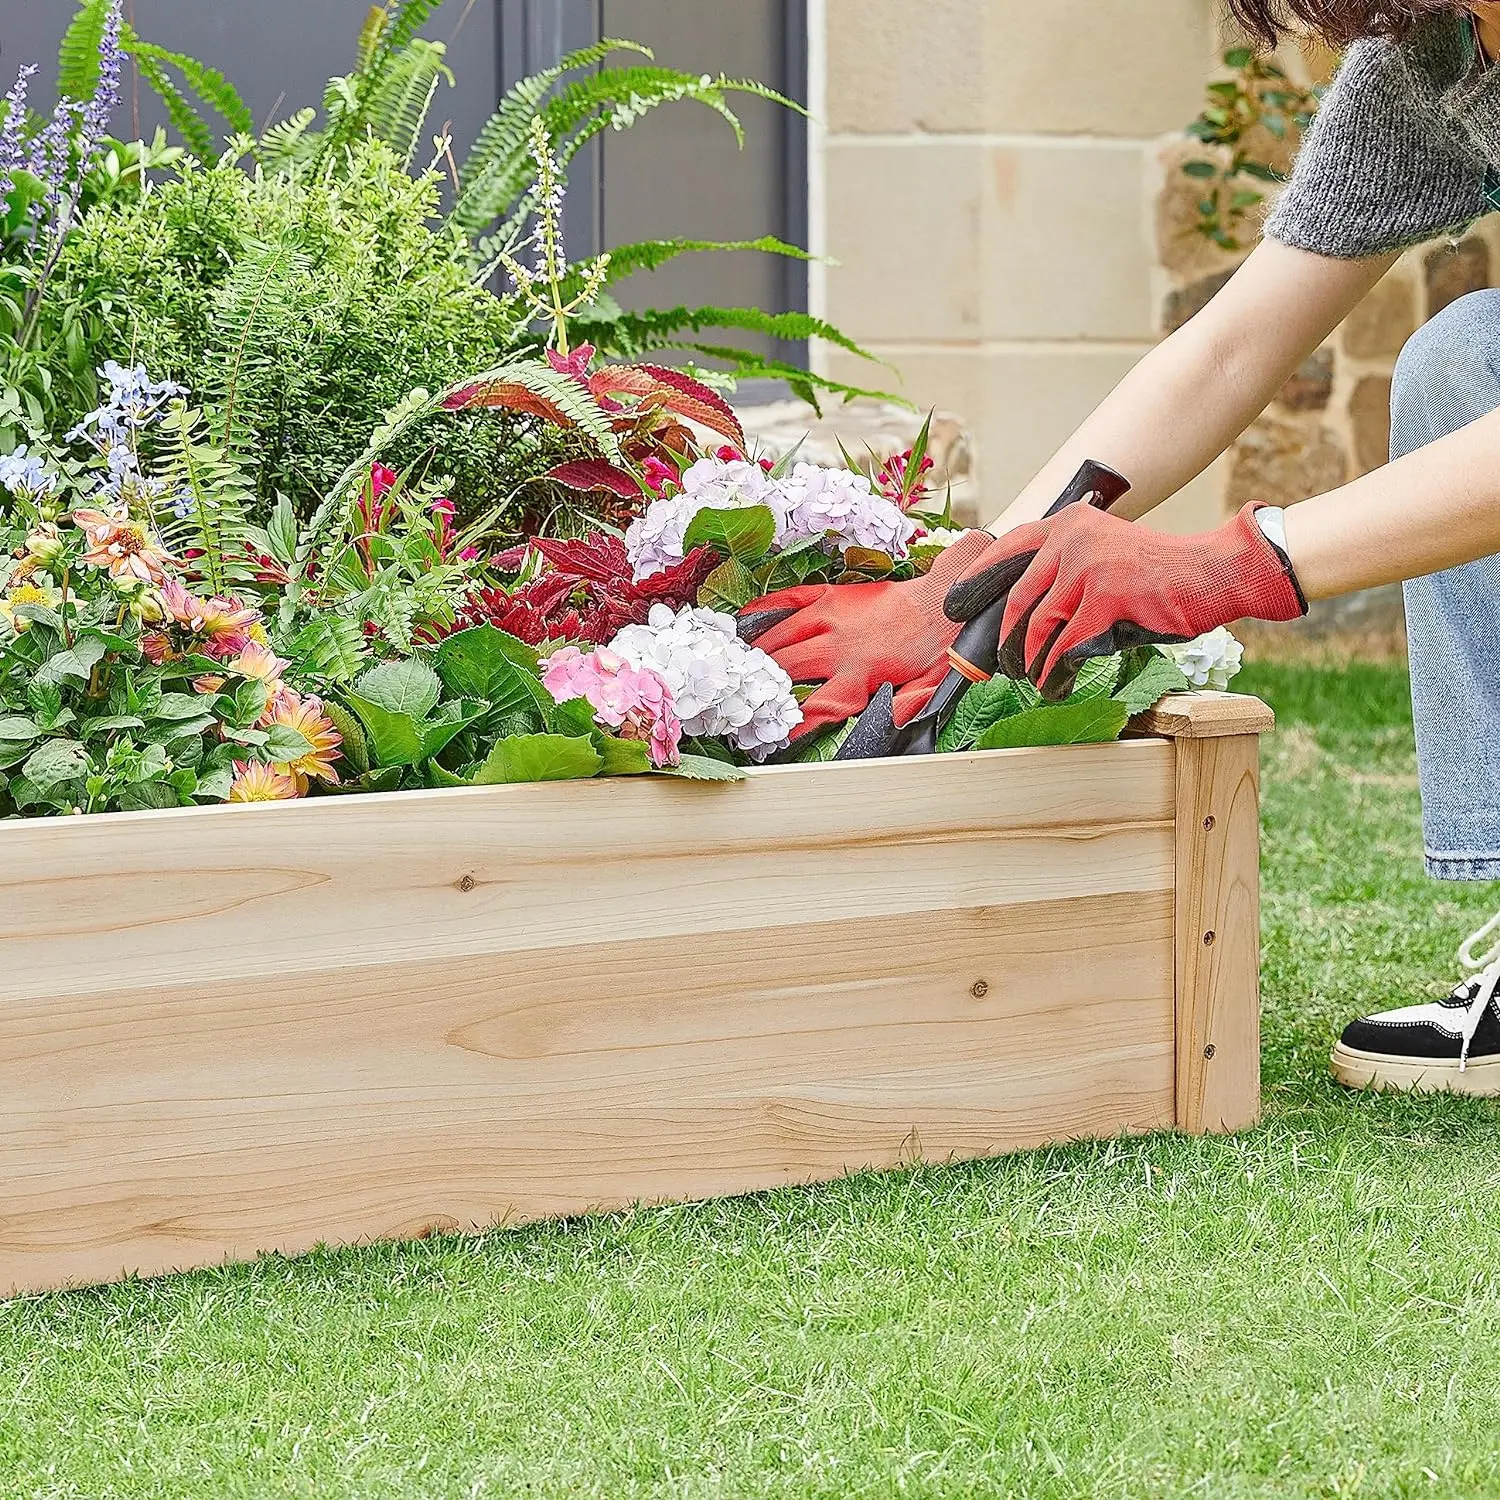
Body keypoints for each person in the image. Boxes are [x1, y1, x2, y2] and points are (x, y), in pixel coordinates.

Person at [741, 0, 1500, 1096]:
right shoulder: (1430, 55)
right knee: (1468, 363)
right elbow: (1232, 348)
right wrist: (971, 577)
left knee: (1459, 361)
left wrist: (1230, 564)